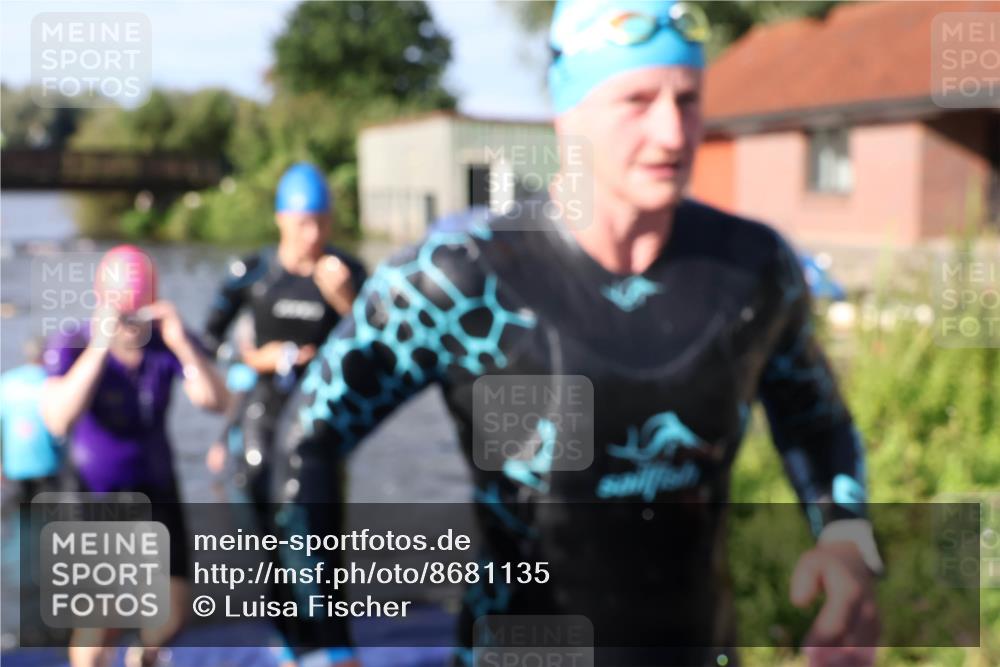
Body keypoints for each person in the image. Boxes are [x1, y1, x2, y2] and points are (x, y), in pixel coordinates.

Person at [280, 2, 883, 665]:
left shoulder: (751, 269)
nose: (671, 132)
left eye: (687, 99)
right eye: (635, 99)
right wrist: (322, 644)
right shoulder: (465, 278)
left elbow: (817, 424)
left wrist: (846, 541)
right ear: (567, 115)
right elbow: (305, 438)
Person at [200, 162, 366, 667]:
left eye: (321, 222)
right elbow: (208, 342)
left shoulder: (348, 273)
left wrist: (348, 303)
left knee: (314, 524)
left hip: (319, 417)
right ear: (280, 219)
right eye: (302, 223)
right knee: (256, 516)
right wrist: (250, 361)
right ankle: (288, 638)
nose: (312, 235)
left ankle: (332, 643)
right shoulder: (253, 273)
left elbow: (383, 352)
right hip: (261, 407)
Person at [40, 245, 229, 667]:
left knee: (171, 615)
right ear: (102, 302)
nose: (130, 325)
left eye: (138, 314)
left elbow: (218, 401)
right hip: (95, 493)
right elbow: (57, 418)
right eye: (122, 314)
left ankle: (141, 659)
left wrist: (183, 345)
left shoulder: (167, 343)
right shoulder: (73, 343)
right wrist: (99, 350)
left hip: (157, 488)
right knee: (100, 622)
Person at [1, 337, 63, 502]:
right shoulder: (54, 381)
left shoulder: (6, 381)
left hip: (14, 467)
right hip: (48, 466)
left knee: (19, 522)